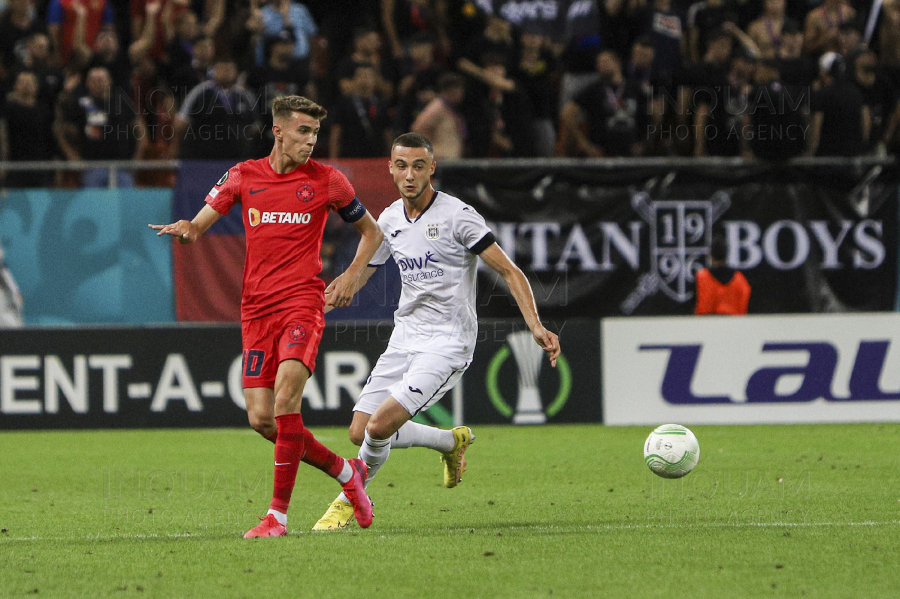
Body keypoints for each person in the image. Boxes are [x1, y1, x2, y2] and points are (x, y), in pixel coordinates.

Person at [149, 95, 382, 538]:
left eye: (314, 133)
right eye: (302, 132)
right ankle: (346, 473)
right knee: (261, 420)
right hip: (256, 310)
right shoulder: (243, 175)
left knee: (286, 398)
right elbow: (198, 226)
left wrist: (352, 276)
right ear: (278, 131)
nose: (310, 141)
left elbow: (372, 232)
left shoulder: (329, 182)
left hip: (303, 303)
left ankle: (277, 516)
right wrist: (186, 230)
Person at [312, 132, 560, 530]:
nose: (409, 175)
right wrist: (326, 299)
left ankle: (350, 499)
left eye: (418, 166)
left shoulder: (458, 216)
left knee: (379, 426)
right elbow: (362, 275)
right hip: (405, 337)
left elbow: (509, 271)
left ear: (432, 169)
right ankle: (451, 442)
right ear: (390, 168)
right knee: (360, 431)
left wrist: (535, 325)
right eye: (401, 165)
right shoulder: (390, 219)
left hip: (447, 343)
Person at [695, 234, 750, 315]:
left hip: (706, 325)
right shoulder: (740, 280)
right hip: (733, 325)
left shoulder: (701, 278)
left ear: (711, 255)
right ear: (727, 254)